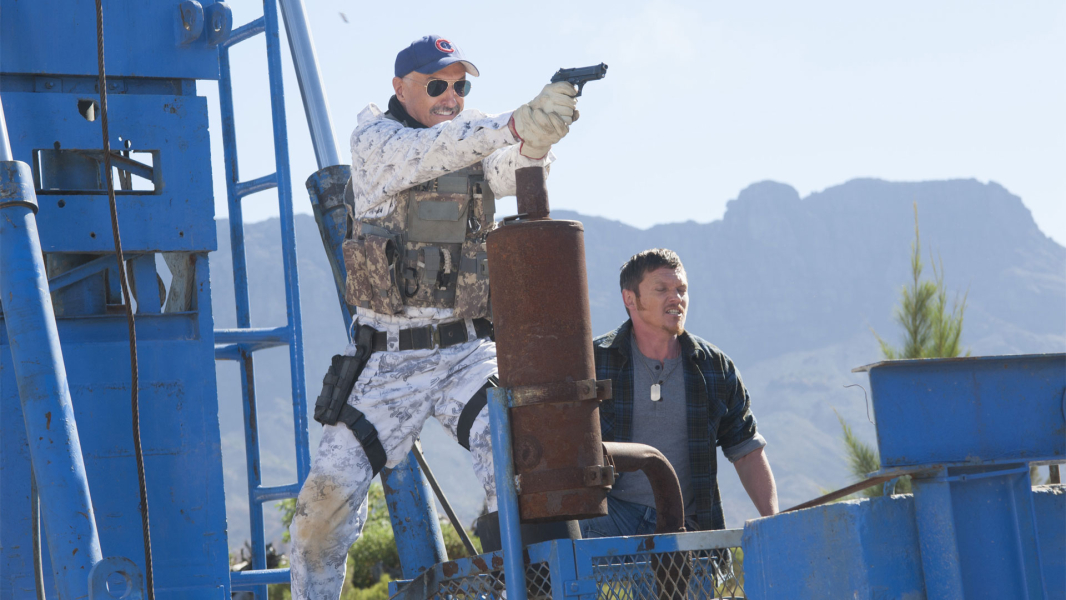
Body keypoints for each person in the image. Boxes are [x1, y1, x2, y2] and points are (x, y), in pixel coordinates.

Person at [289, 35, 579, 599]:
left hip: (467, 352)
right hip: (386, 360)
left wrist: (538, 141)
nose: (451, 96)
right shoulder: (376, 141)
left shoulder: (472, 136)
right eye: (437, 84)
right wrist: (515, 123)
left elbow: (509, 171)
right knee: (318, 521)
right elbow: (434, 152)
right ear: (400, 88)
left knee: (521, 461)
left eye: (460, 85)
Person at [581, 249, 778, 539]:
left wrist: (774, 524)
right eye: (662, 289)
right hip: (613, 517)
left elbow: (747, 452)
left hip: (684, 522)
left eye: (681, 290)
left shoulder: (714, 366)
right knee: (564, 536)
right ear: (630, 299)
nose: (676, 298)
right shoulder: (594, 362)